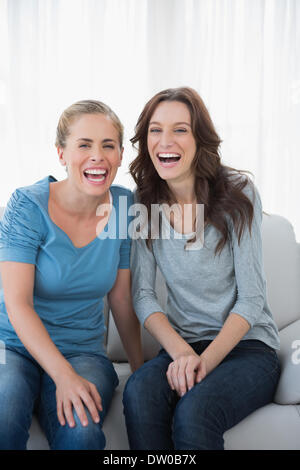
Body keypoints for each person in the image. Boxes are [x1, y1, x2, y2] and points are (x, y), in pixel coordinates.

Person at [123, 87, 281, 450]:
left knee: (195, 411)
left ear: (199, 139)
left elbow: (252, 297)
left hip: (248, 349)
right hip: (183, 345)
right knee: (138, 394)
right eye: (155, 129)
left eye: (180, 129)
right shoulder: (143, 202)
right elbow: (143, 295)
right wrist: (182, 354)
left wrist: (204, 362)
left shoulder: (239, 193)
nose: (166, 141)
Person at [0, 100, 143, 450]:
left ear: (121, 155)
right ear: (61, 153)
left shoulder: (124, 207)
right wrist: (62, 377)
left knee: (81, 432)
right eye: (84, 145)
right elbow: (17, 304)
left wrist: (141, 371)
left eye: (108, 145)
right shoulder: (27, 205)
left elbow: (121, 298)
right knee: (4, 409)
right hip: (11, 345)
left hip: (82, 350)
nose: (98, 156)